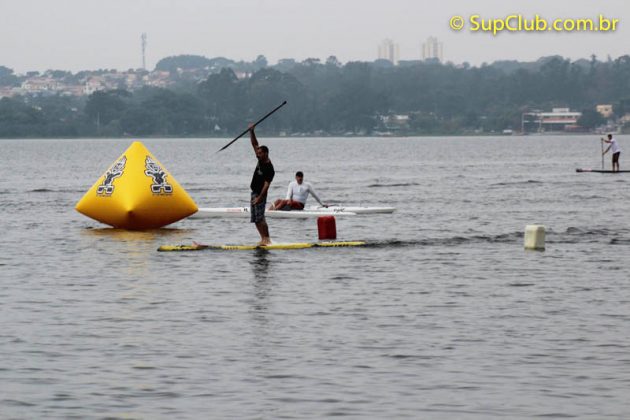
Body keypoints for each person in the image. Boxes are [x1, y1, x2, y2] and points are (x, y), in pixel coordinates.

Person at [249, 123, 274, 245]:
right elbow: (254, 144)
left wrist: (259, 198)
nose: (257, 154)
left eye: (259, 153)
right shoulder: (260, 158)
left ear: (265, 153)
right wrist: (251, 131)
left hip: (261, 194)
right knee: (255, 219)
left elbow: (266, 185)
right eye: (257, 153)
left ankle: (267, 239)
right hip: (254, 192)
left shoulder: (269, 168)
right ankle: (262, 238)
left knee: (261, 217)